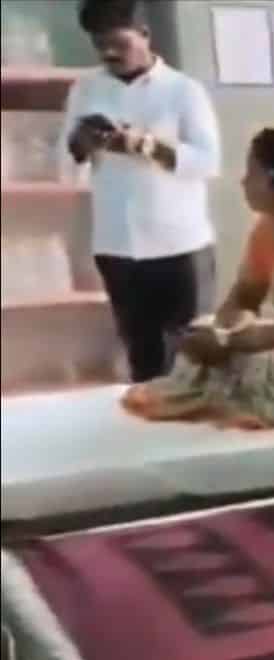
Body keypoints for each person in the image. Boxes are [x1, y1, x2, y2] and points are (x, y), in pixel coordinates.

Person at [120, 129, 274, 428]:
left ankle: (231, 397)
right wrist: (223, 332)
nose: (243, 182)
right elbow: (245, 297)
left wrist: (234, 342)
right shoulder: (267, 230)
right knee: (200, 337)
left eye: (251, 173)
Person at [61, 0, 221, 383]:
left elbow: (208, 162)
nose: (109, 53)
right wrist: (82, 144)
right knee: (143, 358)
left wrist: (146, 147)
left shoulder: (183, 91)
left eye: (118, 42)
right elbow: (65, 168)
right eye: (100, 45)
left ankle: (197, 440)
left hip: (180, 245)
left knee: (194, 356)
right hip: (118, 246)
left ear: (145, 35)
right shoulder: (85, 90)